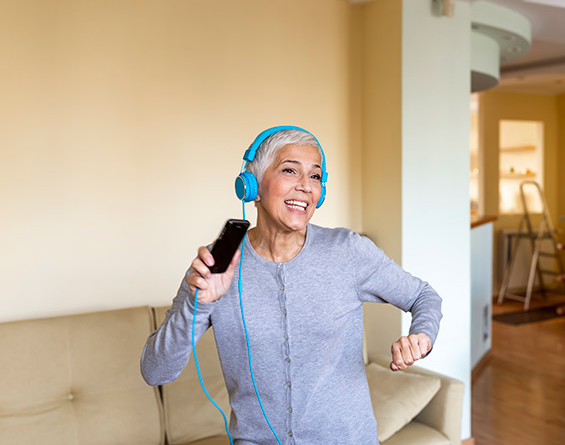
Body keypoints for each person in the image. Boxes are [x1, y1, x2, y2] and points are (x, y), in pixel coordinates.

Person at [141, 127, 442, 445]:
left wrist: (421, 336)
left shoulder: (347, 251)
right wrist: (196, 304)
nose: (305, 187)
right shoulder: (217, 266)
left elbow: (424, 296)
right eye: (289, 170)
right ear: (252, 185)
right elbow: (155, 372)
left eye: (315, 177)